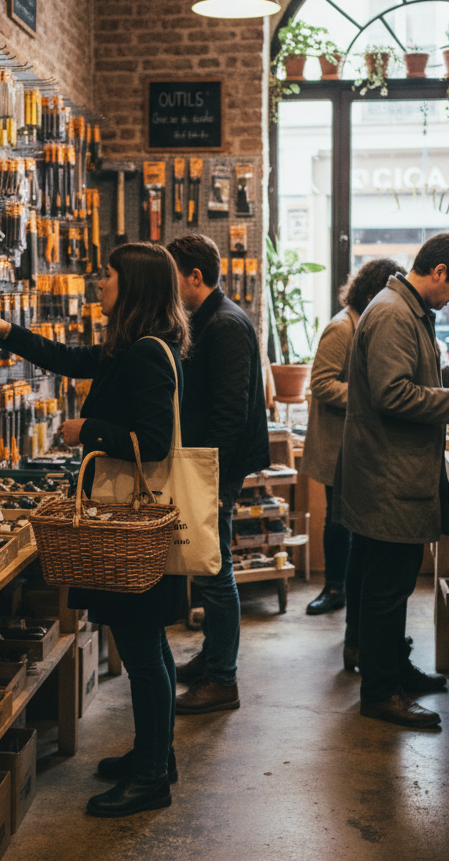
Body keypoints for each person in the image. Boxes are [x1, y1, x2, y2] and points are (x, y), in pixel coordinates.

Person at [0, 242, 190, 817]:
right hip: (128, 522)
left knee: (142, 651)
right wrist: (6, 330)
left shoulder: (145, 354)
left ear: (134, 286)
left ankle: (151, 779)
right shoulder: (130, 347)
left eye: (109, 275)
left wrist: (87, 428)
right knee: (148, 646)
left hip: (132, 524)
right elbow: (72, 359)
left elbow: (154, 442)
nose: (99, 282)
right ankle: (153, 754)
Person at [335, 233, 449, 729]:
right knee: (387, 588)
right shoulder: (395, 313)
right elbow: (393, 394)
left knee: (389, 583)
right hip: (386, 477)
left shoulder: (409, 310)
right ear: (438, 271)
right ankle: (380, 693)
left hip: (392, 474)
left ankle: (393, 671)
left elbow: (425, 375)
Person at [166, 234, 270, 714]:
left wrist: (216, 485)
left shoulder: (225, 325)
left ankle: (223, 680)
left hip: (216, 469)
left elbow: (230, 412)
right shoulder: (209, 320)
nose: (169, 285)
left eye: (173, 275)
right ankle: (211, 661)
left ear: (194, 277)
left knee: (215, 570)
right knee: (210, 566)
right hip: (211, 466)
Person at [301, 258, 405, 616]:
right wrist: (370, 396)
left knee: (348, 519)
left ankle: (345, 589)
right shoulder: (342, 327)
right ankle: (333, 588)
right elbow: (321, 383)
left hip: (353, 443)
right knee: (336, 518)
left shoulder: (364, 323)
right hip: (335, 444)